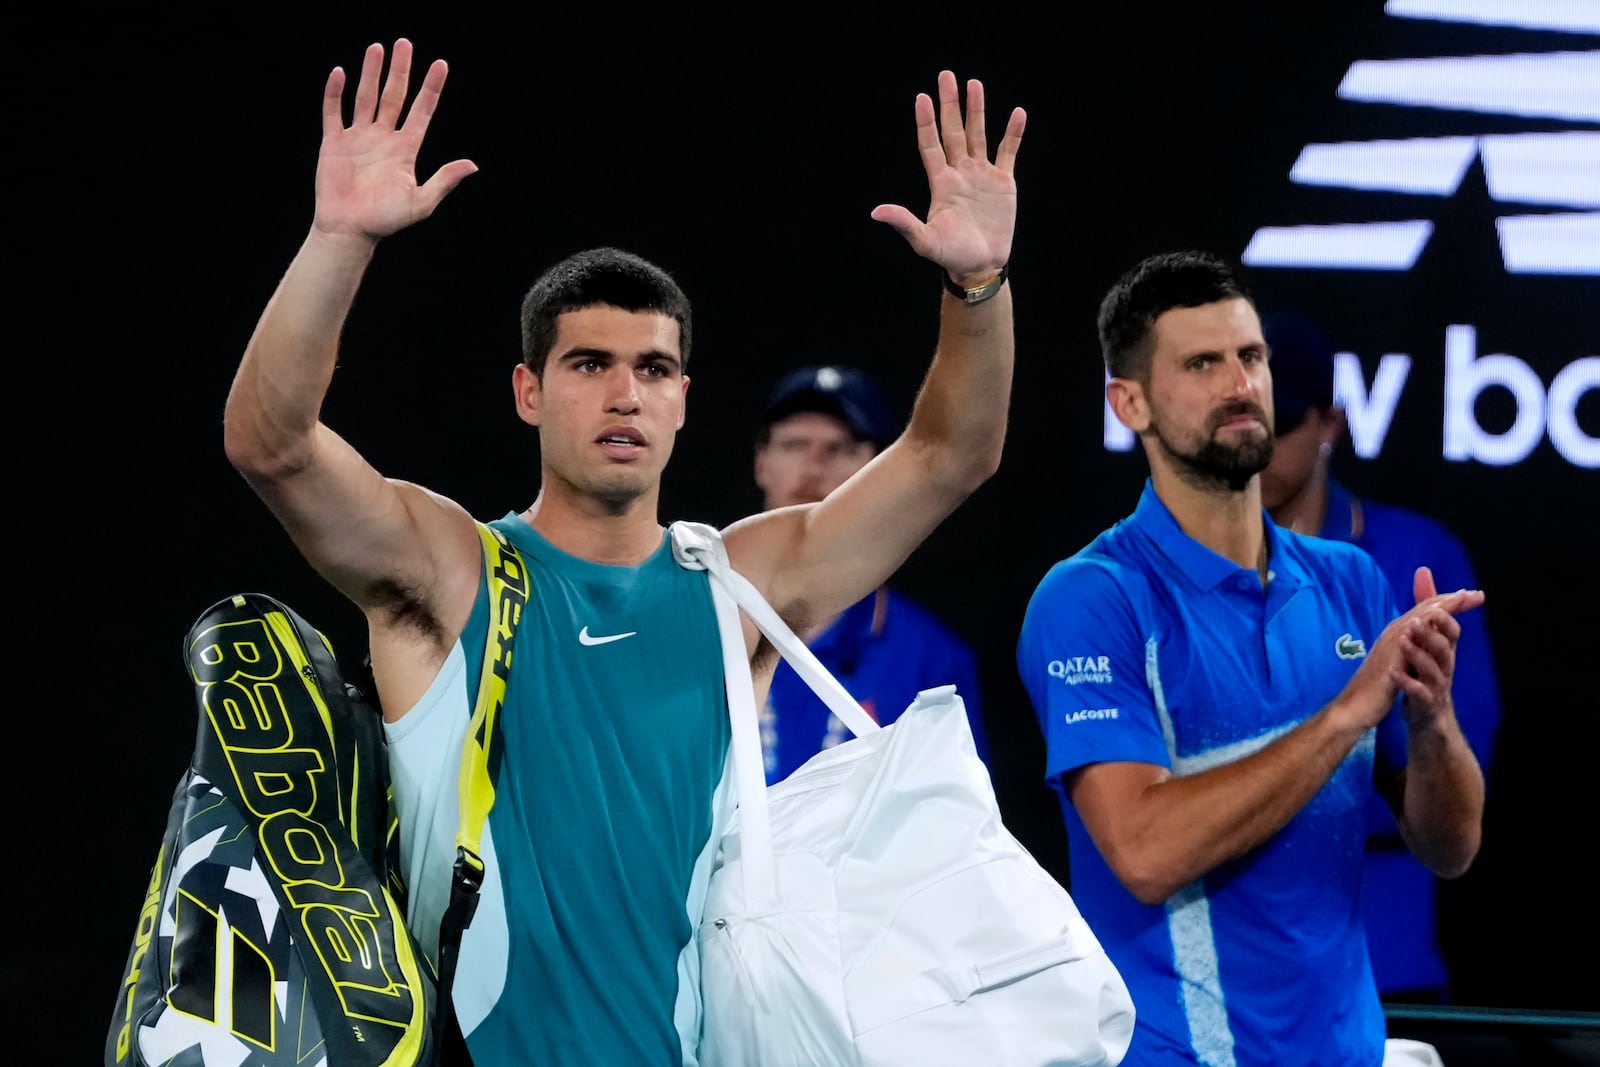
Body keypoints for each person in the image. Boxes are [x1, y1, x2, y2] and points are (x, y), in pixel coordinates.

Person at [222, 38, 1025, 1066]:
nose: (625, 392)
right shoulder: (449, 569)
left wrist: (979, 285)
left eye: (654, 367)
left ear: (685, 398)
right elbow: (270, 443)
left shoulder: (737, 583)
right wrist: (338, 240)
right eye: (589, 363)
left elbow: (954, 453)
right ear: (527, 391)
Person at [1015, 249, 1485, 1066]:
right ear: (1129, 402)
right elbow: (1144, 851)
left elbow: (1451, 848)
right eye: (1202, 363)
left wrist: (1432, 719)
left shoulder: (1351, 581)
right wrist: (1346, 712)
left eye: (1251, 356)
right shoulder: (1092, 598)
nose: (1240, 384)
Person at [1258, 309, 1503, 1005]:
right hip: (1224, 943)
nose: (1258, 449)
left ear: (1330, 421)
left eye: (1279, 428)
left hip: (1382, 946)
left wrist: (1409, 720)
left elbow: (1462, 772)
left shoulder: (1417, 555)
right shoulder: (1175, 566)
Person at [752, 363, 989, 781]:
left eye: (839, 448)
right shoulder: (699, 623)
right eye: (793, 445)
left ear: (879, 472)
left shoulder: (930, 657)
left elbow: (955, 825)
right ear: (761, 462)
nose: (812, 468)